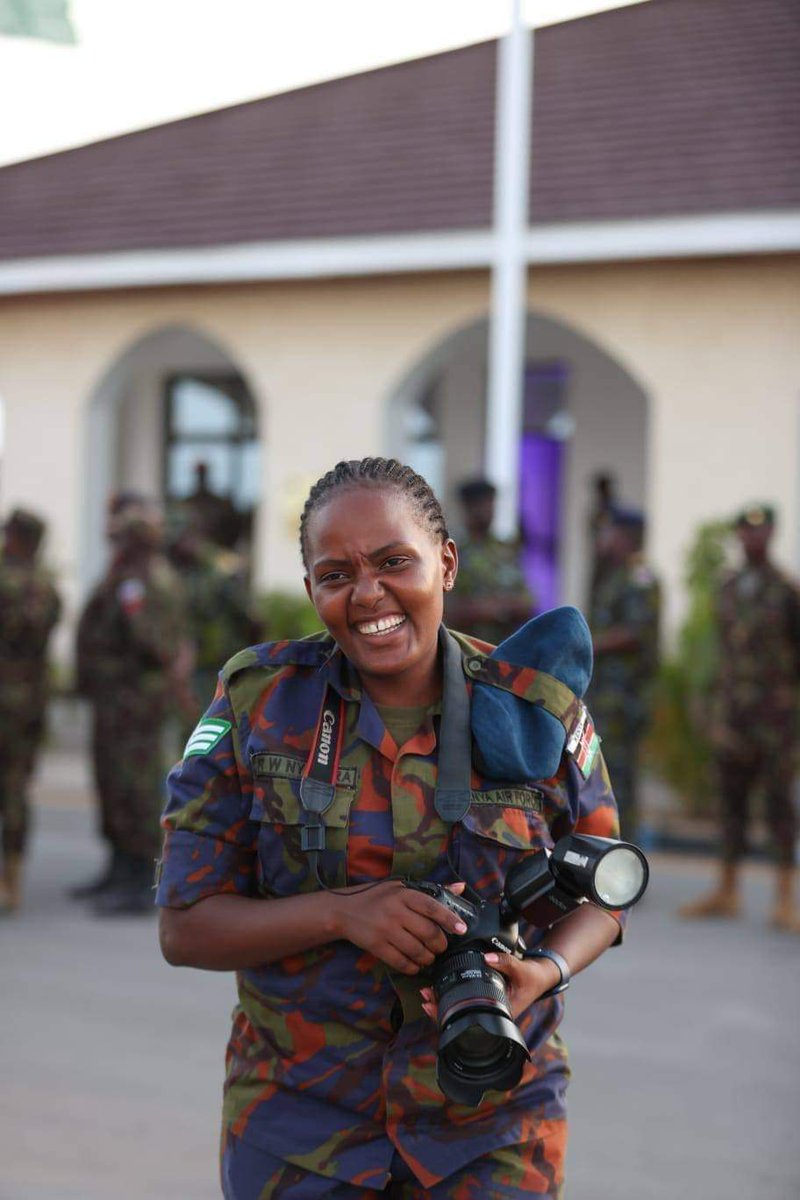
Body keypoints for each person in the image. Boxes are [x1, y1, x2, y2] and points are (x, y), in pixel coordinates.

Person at [157, 457, 626, 1199]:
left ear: (446, 563)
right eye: (336, 574)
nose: (368, 593)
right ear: (311, 588)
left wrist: (544, 971)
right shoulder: (260, 704)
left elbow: (605, 887)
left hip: (495, 1118)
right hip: (301, 1126)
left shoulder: (535, 708)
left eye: (394, 562)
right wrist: (341, 914)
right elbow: (185, 928)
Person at [680, 504, 800, 932]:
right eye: (746, 533)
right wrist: (709, 703)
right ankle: (727, 890)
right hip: (733, 714)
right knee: (730, 801)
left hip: (775, 717)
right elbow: (719, 653)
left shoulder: (786, 591)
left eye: (761, 531)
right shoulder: (727, 586)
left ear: (772, 534)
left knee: (779, 804)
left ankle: (786, 898)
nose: (753, 539)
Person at [72, 493, 192, 916]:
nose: (114, 543)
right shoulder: (126, 575)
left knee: (138, 789)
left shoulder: (145, 579)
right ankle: (119, 865)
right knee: (113, 784)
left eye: (121, 537)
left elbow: (154, 641)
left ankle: (142, 880)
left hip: (137, 702)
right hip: (116, 700)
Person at [585, 506, 660, 839]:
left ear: (626, 537)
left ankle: (622, 855)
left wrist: (588, 644)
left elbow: (633, 632)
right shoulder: (613, 575)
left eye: (610, 533)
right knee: (601, 775)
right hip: (605, 694)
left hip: (624, 697)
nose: (605, 539)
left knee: (619, 780)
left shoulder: (638, 577)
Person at [0, 509, 61, 913]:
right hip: (30, 701)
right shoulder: (46, 587)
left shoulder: (6, 581)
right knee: (16, 788)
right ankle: (11, 880)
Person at [165, 508, 261, 738]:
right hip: (183, 668)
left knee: (213, 733)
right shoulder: (171, 570)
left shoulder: (220, 570)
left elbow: (250, 619)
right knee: (187, 734)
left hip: (215, 667)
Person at [444, 477, 533, 646]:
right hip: (464, 650)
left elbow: (527, 603)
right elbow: (444, 608)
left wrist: (498, 609)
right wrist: (486, 610)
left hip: (504, 651)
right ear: (468, 507)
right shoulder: (451, 552)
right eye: (480, 505)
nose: (487, 510)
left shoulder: (506, 550)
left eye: (490, 504)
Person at [184, 460, 242, 550]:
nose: (201, 477)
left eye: (202, 473)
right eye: (200, 473)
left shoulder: (220, 504)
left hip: (217, 550)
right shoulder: (187, 504)